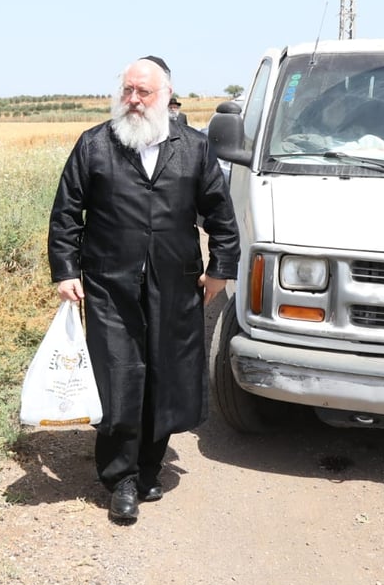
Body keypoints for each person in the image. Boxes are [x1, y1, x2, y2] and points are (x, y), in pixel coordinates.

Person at [47, 55, 240, 523]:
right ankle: (121, 479)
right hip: (109, 284)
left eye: (143, 92)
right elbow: (67, 213)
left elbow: (220, 214)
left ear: (166, 98)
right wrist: (65, 270)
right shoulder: (95, 146)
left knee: (165, 374)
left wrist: (220, 269)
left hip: (175, 285)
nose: (133, 100)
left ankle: (149, 464)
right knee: (119, 376)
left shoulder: (193, 148)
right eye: (127, 91)